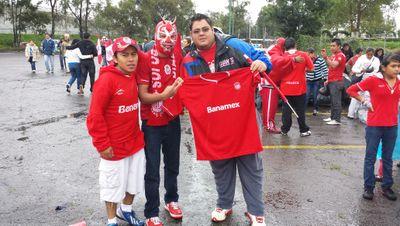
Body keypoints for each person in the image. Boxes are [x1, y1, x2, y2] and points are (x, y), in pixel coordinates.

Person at [180, 13, 272, 226]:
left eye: (205, 29)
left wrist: (262, 63)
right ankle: (224, 204)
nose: (201, 34)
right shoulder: (188, 60)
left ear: (212, 29)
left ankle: (256, 211)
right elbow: (186, 90)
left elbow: (265, 59)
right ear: (191, 35)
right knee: (220, 166)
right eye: (196, 31)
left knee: (251, 166)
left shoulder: (235, 46)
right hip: (213, 123)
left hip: (244, 120)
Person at [86, 37, 146, 226]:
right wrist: (102, 144)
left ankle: (125, 210)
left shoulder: (133, 76)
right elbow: (94, 116)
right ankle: (111, 220)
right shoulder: (106, 80)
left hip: (135, 143)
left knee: (134, 183)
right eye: (125, 55)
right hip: (113, 147)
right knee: (112, 187)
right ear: (115, 57)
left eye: (133, 54)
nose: (131, 59)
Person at [136, 19, 184, 226]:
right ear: (155, 36)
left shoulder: (178, 56)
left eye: (172, 36)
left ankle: (171, 200)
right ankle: (151, 212)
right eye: (163, 35)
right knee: (153, 169)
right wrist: (164, 95)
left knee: (173, 165)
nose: (168, 40)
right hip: (152, 124)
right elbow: (143, 96)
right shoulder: (146, 59)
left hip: (173, 120)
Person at [346, 53, 400, 201]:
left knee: (387, 158)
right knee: (370, 158)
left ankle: (387, 186)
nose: (397, 69)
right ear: (384, 67)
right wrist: (364, 100)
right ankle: (368, 187)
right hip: (375, 125)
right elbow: (351, 90)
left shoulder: (399, 82)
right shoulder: (374, 80)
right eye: (393, 66)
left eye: (398, 66)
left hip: (392, 126)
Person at [260, 38, 300, 133]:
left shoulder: (276, 50)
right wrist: (292, 59)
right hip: (269, 82)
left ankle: (268, 124)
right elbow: (276, 61)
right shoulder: (274, 51)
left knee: (271, 106)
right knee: (270, 106)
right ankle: (269, 125)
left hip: (271, 82)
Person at [280, 38, 314, 136]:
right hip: (300, 88)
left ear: (285, 46)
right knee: (300, 111)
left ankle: (284, 130)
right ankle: (303, 130)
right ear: (295, 45)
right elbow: (312, 68)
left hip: (285, 88)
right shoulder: (303, 55)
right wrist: (303, 69)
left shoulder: (282, 56)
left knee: (286, 111)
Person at [347, 48, 380, 120]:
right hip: (361, 80)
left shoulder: (376, 60)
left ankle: (368, 115)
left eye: (371, 55)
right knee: (355, 96)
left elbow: (376, 70)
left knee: (369, 97)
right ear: (366, 53)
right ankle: (351, 114)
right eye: (368, 55)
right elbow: (354, 69)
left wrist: (369, 71)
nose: (370, 56)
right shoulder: (361, 58)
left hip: (371, 80)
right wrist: (361, 70)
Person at [321, 38, 347, 125]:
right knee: (332, 100)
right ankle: (332, 117)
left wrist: (325, 57)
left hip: (337, 82)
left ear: (339, 46)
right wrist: (328, 79)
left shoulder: (340, 55)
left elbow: (334, 65)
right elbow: (331, 69)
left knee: (336, 101)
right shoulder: (333, 55)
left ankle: (337, 120)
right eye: (331, 46)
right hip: (331, 81)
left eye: (333, 46)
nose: (331, 47)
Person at [305, 47, 328, 116]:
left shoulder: (320, 60)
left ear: (313, 53)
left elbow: (325, 70)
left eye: (309, 54)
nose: (308, 56)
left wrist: (325, 79)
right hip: (308, 80)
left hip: (317, 81)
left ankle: (315, 109)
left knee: (316, 96)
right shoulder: (306, 59)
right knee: (306, 96)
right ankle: (303, 109)